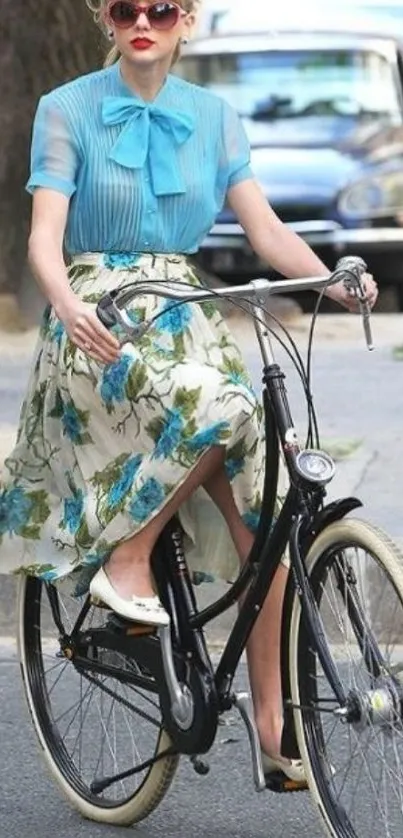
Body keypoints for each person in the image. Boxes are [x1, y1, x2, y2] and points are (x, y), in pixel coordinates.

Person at [0, 0, 378, 783]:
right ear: (105, 19)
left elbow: (265, 229)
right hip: (98, 320)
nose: (144, 20)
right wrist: (66, 306)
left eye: (161, 8)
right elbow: (43, 236)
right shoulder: (65, 109)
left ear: (187, 21)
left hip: (186, 316)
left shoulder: (214, 117)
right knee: (228, 407)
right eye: (125, 7)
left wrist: (334, 282)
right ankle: (130, 558)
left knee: (271, 503)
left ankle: (275, 731)